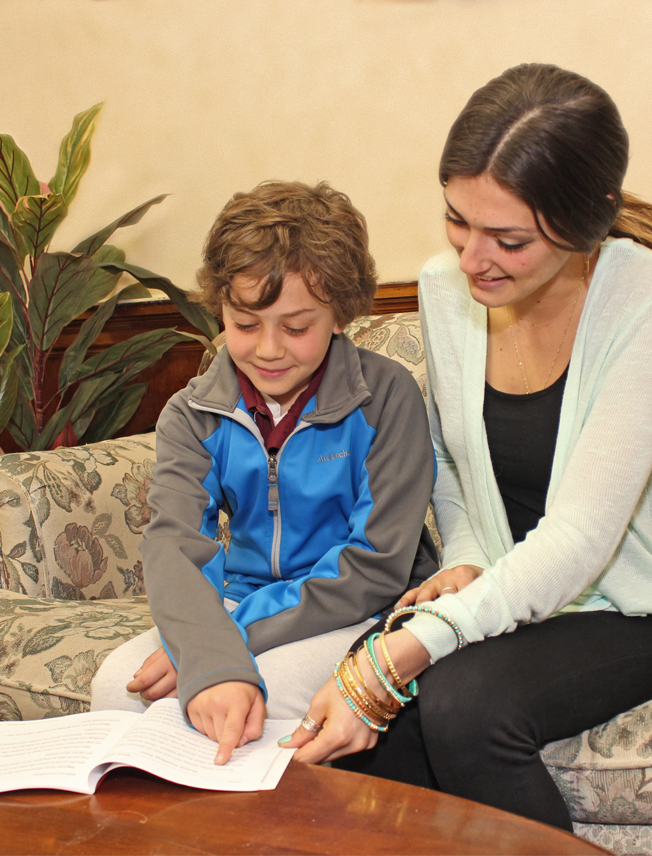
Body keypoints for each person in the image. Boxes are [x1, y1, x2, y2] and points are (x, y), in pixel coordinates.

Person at [282, 64, 652, 831]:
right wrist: (463, 559)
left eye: (509, 239)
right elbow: (454, 468)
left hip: (644, 612)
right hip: (512, 597)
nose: (471, 259)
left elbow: (581, 536)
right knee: (368, 735)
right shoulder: (444, 286)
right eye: (457, 221)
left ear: (586, 221)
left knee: (461, 704)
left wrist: (415, 648)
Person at [90, 180, 437, 765]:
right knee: (114, 686)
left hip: (362, 613)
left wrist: (214, 651)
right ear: (220, 308)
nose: (269, 349)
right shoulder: (193, 412)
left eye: (296, 327)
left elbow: (375, 566)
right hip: (243, 601)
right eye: (245, 324)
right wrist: (206, 646)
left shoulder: (385, 397)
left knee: (259, 694)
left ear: (341, 312)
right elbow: (175, 546)